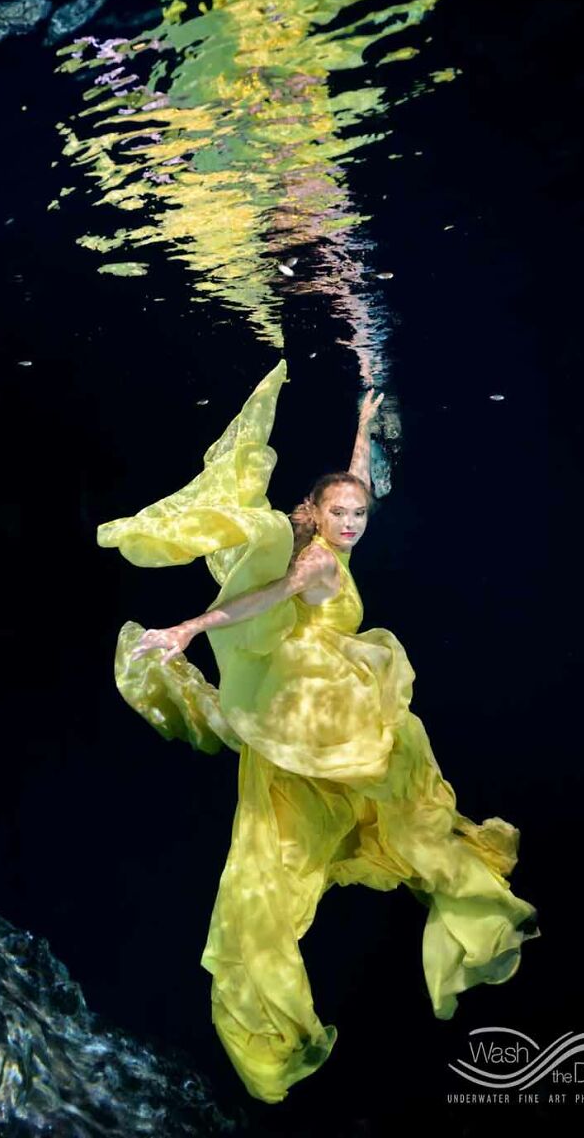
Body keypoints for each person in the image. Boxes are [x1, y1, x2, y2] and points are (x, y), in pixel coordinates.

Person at [97, 359, 539, 1105]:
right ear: (315, 513)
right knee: (295, 839)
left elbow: (355, 480)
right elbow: (264, 596)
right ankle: (276, 991)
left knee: (396, 801)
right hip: (306, 699)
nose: (351, 524)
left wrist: (365, 425)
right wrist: (188, 626)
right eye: (340, 514)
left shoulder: (343, 523)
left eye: (357, 515)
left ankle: (420, 867)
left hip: (328, 697)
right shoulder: (310, 560)